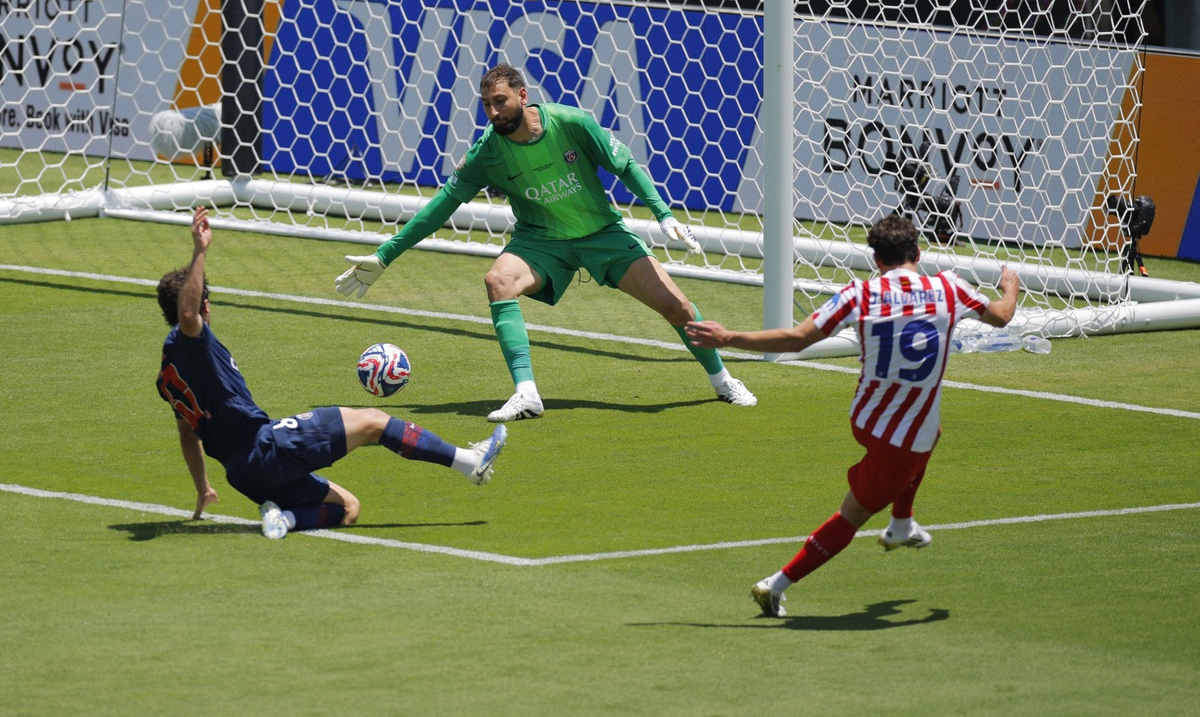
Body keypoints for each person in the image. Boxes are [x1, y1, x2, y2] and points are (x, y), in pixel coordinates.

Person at [335, 63, 756, 422]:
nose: (493, 112)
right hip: (541, 241)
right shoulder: (488, 152)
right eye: (486, 105)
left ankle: (722, 381)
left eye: (500, 101)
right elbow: (441, 207)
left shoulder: (570, 123)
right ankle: (527, 394)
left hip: (601, 234)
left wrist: (662, 214)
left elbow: (625, 164)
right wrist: (386, 254)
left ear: (522, 95)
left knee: (677, 307)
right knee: (498, 280)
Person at [686, 215, 1019, 617]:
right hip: (902, 439)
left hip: (865, 417)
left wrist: (728, 337)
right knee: (853, 514)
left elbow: (796, 338)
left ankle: (901, 522)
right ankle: (776, 584)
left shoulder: (859, 294)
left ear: (876, 260)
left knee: (933, 429)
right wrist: (1010, 287)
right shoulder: (949, 287)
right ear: (918, 253)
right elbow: (1002, 315)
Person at [158, 206, 506, 540]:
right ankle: (469, 463)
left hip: (245, 476)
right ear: (204, 305)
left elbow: (189, 436)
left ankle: (284, 518)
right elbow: (188, 315)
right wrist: (200, 252)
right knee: (374, 421)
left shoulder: (167, 374)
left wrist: (203, 487)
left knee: (349, 508)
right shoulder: (194, 339)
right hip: (268, 447)